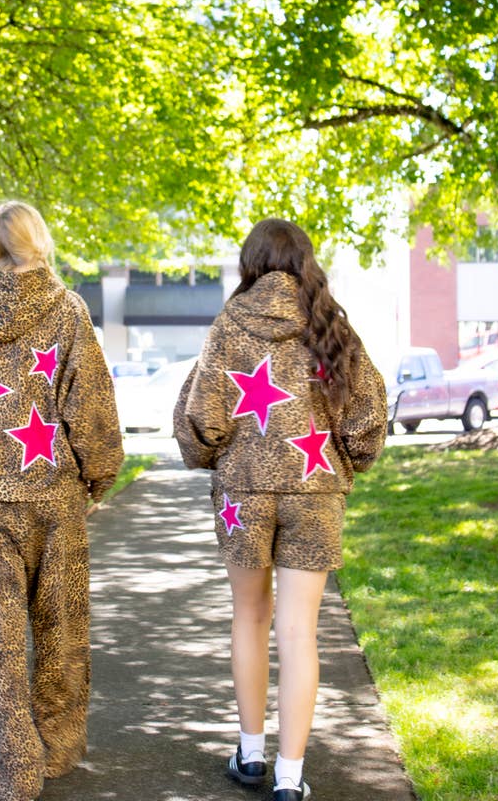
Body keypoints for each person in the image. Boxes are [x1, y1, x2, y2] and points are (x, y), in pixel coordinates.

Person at [173, 218, 386, 801]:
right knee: (300, 631)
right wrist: (353, 457)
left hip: (243, 494)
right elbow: (367, 421)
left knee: (249, 616)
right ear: (305, 264)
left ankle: (249, 755)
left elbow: (200, 420)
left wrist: (205, 451)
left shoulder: (227, 328)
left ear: (251, 264)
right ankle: (290, 779)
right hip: (315, 495)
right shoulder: (332, 329)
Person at [0, 201, 123, 801]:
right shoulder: (67, 310)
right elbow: (91, 403)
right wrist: (100, 473)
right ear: (40, 239)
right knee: (60, 625)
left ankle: (13, 768)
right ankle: (57, 746)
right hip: (54, 495)